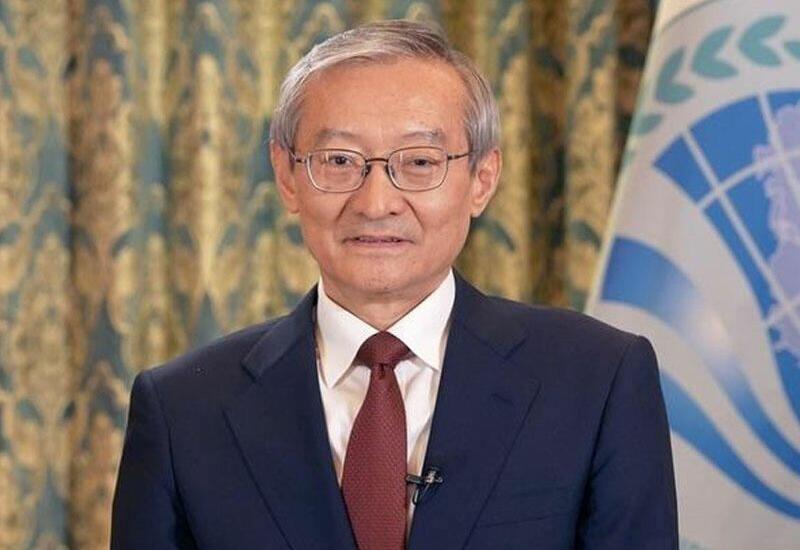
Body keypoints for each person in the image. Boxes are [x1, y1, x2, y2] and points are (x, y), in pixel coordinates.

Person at [111, 19, 678, 550]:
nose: (376, 203)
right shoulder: (183, 411)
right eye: (338, 161)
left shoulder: (597, 380)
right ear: (287, 177)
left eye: (419, 163)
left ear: (482, 179)